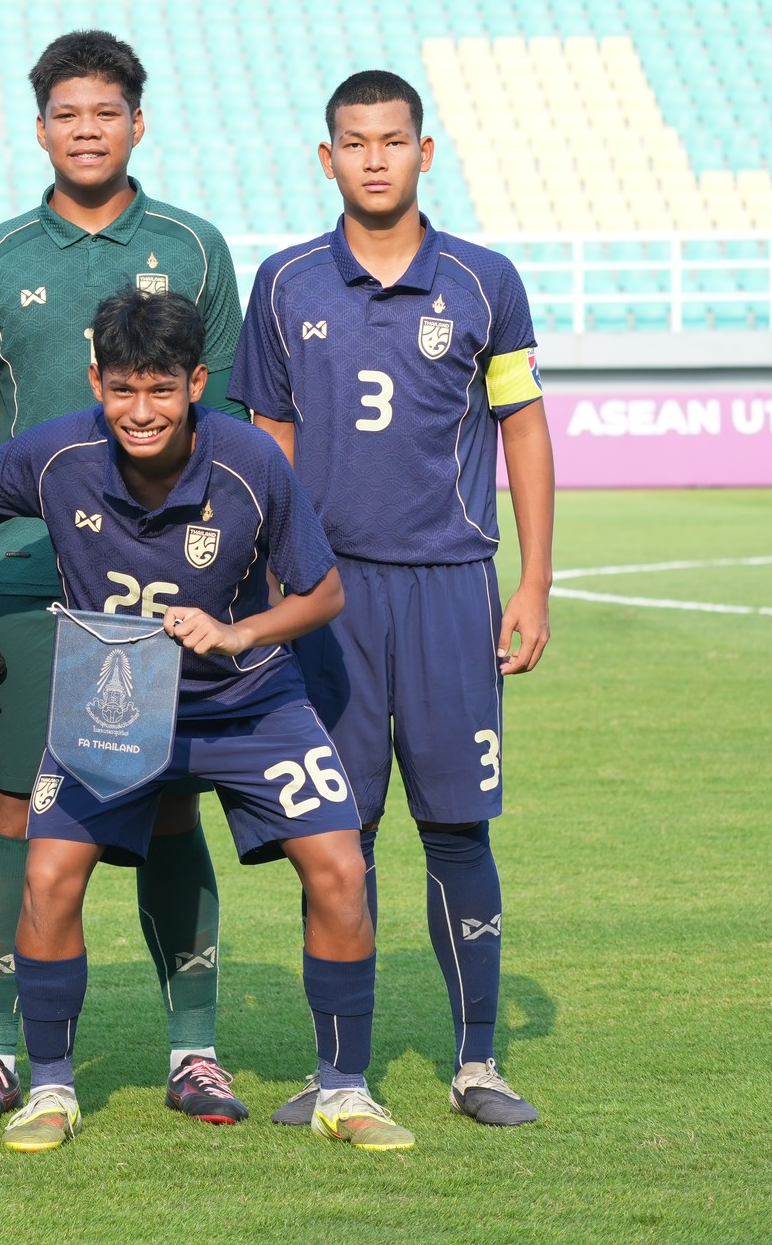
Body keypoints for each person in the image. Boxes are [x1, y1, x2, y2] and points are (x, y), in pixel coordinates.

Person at [0, 290, 414, 1152]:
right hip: (113, 702)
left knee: (339, 866)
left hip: (246, 701)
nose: (140, 411)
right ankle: (51, 1088)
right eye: (122, 389)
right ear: (96, 383)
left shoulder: (251, 461)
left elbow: (324, 591)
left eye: (160, 389)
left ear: (196, 383)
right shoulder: (58, 454)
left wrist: (238, 632)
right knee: (48, 877)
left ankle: (344, 1090)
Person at [0, 29, 252, 1124]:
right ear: (39, 130)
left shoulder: (195, 249)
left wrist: (224, 585)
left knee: (168, 813)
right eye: (66, 114)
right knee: (15, 813)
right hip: (30, 579)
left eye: (105, 112)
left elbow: (231, 425)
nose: (86, 131)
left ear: (137, 123)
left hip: (165, 585)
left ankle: (194, 1052)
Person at [232, 69, 555, 1129]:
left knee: (458, 826)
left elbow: (522, 427)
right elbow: (269, 444)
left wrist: (533, 582)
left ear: (425, 151)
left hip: (452, 589)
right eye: (356, 143)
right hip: (329, 600)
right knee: (341, 829)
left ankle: (478, 1065)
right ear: (328, 158)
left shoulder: (485, 280)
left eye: (393, 140)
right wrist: (270, 585)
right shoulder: (284, 283)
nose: (376, 159)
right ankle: (342, 1074)